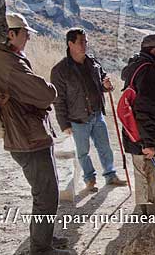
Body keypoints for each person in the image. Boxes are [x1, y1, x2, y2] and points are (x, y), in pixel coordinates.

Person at [0, 13, 71, 254]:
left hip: (26, 134)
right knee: (46, 194)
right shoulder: (8, 64)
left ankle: (44, 239)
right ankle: (40, 248)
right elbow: (46, 94)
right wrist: (48, 89)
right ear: (10, 34)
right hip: (28, 137)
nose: (28, 38)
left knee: (45, 192)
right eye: (25, 33)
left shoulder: (1, 60)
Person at [50, 28, 127, 192]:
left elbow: (103, 82)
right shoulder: (60, 70)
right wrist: (64, 124)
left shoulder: (93, 63)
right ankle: (90, 179)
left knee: (104, 147)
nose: (84, 45)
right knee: (83, 152)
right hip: (77, 119)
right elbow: (59, 100)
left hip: (97, 114)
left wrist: (107, 86)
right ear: (70, 44)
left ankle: (110, 175)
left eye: (85, 42)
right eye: (81, 42)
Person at [121, 33, 155, 215]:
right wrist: (148, 143)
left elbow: (144, 103)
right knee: (154, 184)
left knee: (144, 180)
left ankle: (146, 218)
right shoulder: (149, 71)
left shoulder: (137, 66)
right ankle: (152, 224)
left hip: (137, 135)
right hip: (148, 138)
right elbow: (145, 109)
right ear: (154, 50)